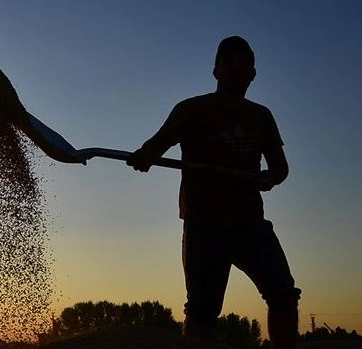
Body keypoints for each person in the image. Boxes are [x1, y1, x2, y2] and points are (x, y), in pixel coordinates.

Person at [127, 36, 301, 349]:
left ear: (253, 73)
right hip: (204, 225)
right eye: (229, 62)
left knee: (283, 293)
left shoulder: (262, 116)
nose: (237, 68)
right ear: (215, 70)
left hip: (250, 223)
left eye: (244, 63)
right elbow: (157, 144)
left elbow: (280, 168)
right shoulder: (191, 110)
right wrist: (145, 155)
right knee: (202, 314)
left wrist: (269, 177)